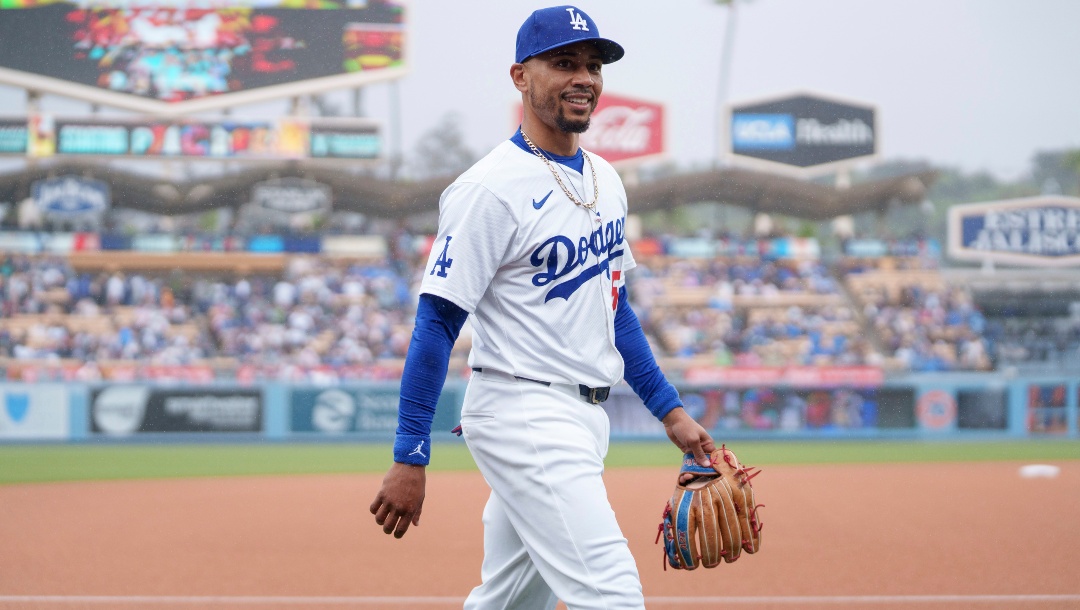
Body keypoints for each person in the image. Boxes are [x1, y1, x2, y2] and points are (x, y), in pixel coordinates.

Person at [370, 5, 717, 608]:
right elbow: (436, 323)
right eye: (563, 63)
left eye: (593, 66)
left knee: (510, 600)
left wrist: (670, 411)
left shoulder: (606, 180)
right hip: (523, 410)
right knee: (612, 593)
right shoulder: (489, 188)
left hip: (583, 416)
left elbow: (613, 309)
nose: (584, 77)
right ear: (520, 76)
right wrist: (410, 453)